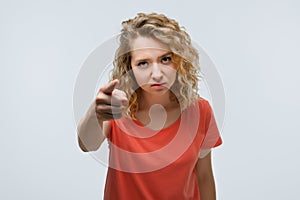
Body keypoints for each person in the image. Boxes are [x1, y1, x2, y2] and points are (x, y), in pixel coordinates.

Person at [77, 13, 222, 200]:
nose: (157, 74)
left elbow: (203, 177)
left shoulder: (200, 111)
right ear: (129, 67)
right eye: (143, 63)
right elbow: (86, 145)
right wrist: (96, 112)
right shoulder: (117, 108)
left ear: (179, 61)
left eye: (165, 59)